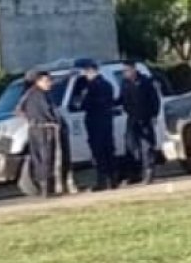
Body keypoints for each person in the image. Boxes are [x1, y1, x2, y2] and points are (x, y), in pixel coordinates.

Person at [16, 71, 64, 197]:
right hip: (45, 129)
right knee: (46, 157)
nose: (50, 84)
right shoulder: (41, 95)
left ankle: (44, 187)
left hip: (33, 129)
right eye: (47, 81)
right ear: (38, 82)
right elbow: (47, 111)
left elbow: (19, 111)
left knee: (38, 158)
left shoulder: (27, 94)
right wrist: (55, 121)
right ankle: (47, 188)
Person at [72, 59, 118, 191]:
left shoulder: (92, 86)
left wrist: (80, 102)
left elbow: (84, 104)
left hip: (95, 122)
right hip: (107, 121)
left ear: (90, 71)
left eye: (86, 72)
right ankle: (112, 180)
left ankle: (103, 181)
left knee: (99, 152)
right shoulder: (107, 84)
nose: (85, 75)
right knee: (108, 150)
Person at [120, 61, 162, 185]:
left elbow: (154, 99)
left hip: (145, 117)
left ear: (133, 69)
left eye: (126, 70)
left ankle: (149, 173)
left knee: (147, 147)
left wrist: (154, 115)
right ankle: (134, 174)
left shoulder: (145, 82)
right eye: (123, 71)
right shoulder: (125, 83)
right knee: (130, 146)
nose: (125, 73)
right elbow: (122, 99)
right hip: (132, 118)